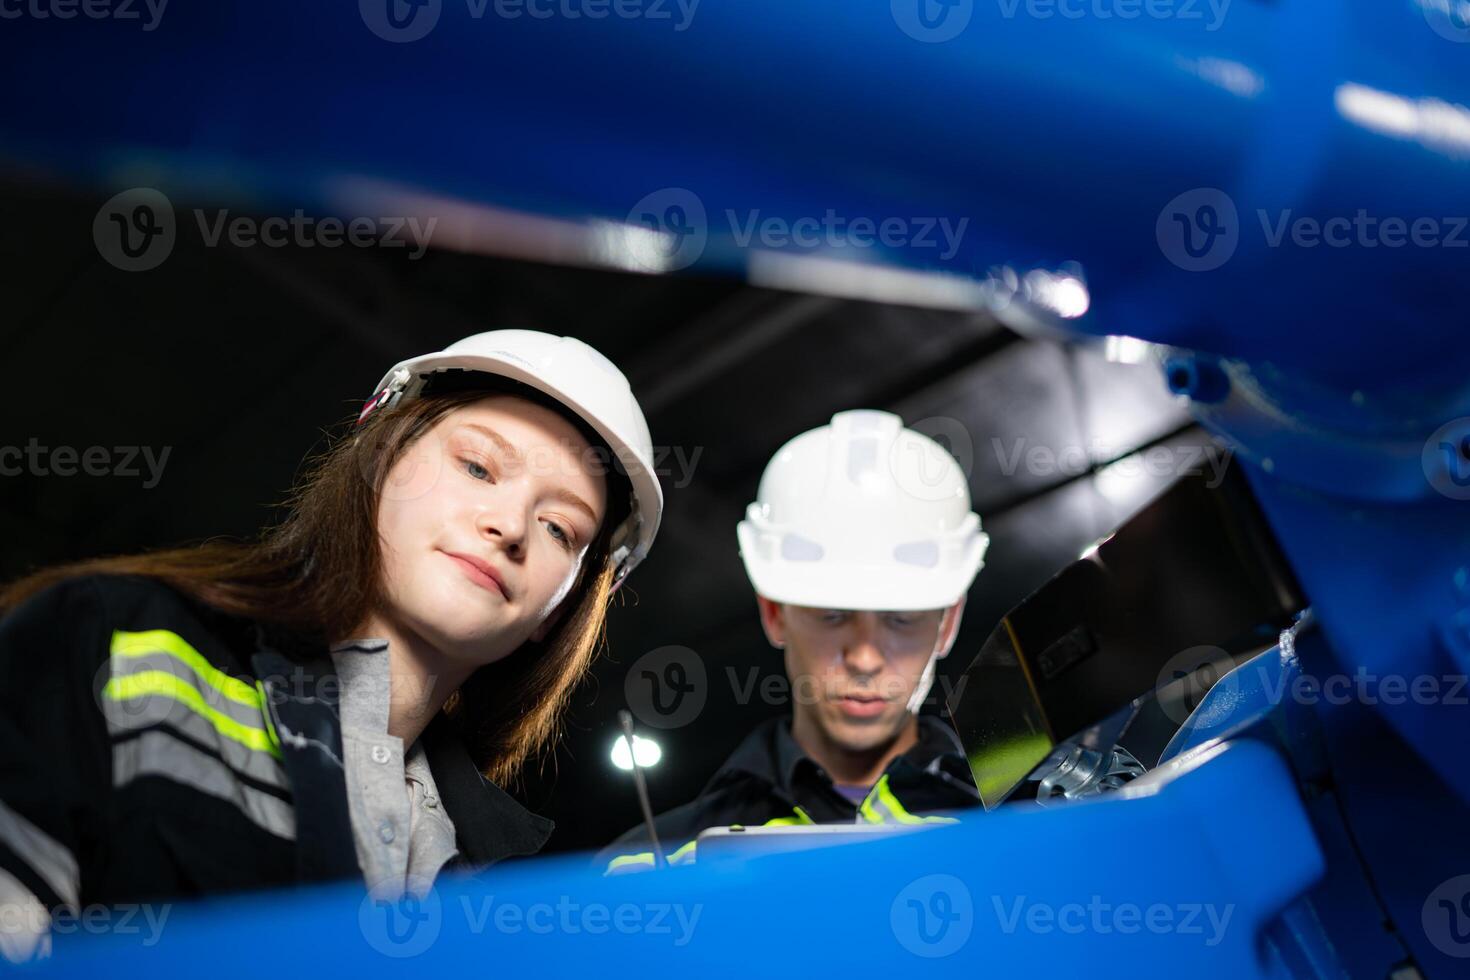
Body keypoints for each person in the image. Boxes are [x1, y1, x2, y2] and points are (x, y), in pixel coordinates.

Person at [0, 329, 662, 958]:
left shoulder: (500, 889)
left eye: (558, 528)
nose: (510, 525)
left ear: (560, 610)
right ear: (379, 461)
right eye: (478, 467)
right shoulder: (116, 643)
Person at [600, 410, 987, 873]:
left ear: (947, 624)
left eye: (901, 619)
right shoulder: (651, 862)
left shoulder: (1029, 823)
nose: (864, 658)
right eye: (832, 615)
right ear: (773, 613)